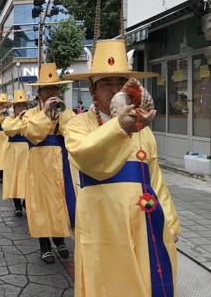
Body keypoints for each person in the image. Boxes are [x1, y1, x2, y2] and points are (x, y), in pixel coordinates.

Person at [63, 40, 180, 297]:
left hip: (146, 219)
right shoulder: (78, 124)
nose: (115, 90)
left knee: (149, 280)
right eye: (106, 84)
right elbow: (86, 158)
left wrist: (170, 224)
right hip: (102, 221)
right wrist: (120, 128)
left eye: (120, 83)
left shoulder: (143, 126)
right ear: (93, 90)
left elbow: (155, 178)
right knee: (108, 283)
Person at [21, 63, 77, 264]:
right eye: (48, 89)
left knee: (60, 199)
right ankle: (44, 245)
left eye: (55, 88)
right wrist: (44, 113)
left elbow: (74, 130)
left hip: (60, 161)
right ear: (40, 92)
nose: (52, 92)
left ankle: (60, 240)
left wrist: (60, 115)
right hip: (39, 164)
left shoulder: (65, 111)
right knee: (41, 203)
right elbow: (31, 134)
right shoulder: (30, 114)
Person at [1, 89, 35, 216]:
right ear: (13, 108)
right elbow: (8, 131)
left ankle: (27, 201)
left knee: (27, 176)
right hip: (13, 151)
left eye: (24, 105)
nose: (22, 108)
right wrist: (19, 119)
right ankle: (17, 205)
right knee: (14, 176)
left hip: (28, 149)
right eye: (19, 106)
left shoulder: (32, 118)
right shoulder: (8, 119)